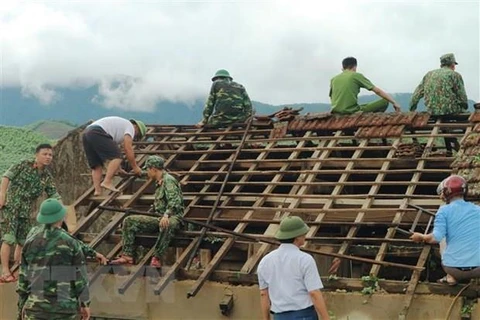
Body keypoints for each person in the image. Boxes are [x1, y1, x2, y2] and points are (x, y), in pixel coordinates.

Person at [17, 198, 91, 320]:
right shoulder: (71, 242)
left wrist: (22, 304)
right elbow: (80, 277)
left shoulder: (30, 242)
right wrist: (85, 304)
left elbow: (23, 278)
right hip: (64, 309)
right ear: (61, 217)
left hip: (36, 308)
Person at [0, 143, 60, 283]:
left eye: (50, 155)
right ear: (37, 155)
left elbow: (54, 194)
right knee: (9, 238)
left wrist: (63, 210)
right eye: (45, 154)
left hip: (25, 210)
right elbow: (7, 176)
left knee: (24, 240)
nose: (48, 157)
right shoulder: (23, 165)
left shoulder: (46, 176)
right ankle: (5, 271)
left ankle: (20, 266)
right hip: (12, 207)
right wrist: (2, 194)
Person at [111, 155, 184, 267]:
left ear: (154, 169)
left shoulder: (168, 180)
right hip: (158, 217)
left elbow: (175, 201)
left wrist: (166, 215)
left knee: (166, 224)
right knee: (129, 221)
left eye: (148, 169)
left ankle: (157, 257)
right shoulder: (159, 181)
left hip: (172, 217)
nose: (147, 172)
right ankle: (127, 255)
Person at [410, 175, 480, 285]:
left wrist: (421, 237)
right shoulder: (477, 210)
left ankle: (451, 277)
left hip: (453, 269)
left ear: (447, 192)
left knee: (443, 237)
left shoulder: (444, 211)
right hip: (478, 269)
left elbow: (435, 238)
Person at [257, 216, 330, 320]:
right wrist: (326, 318)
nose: (305, 235)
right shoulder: (305, 259)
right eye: (303, 233)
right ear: (297, 237)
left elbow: (263, 294)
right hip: (304, 314)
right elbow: (314, 293)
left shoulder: (265, 261)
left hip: (279, 316)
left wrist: (266, 319)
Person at [82, 116, 147, 196]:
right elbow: (127, 149)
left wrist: (119, 169)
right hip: (97, 131)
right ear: (136, 127)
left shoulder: (119, 129)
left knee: (96, 165)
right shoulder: (130, 127)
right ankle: (107, 181)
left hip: (86, 133)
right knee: (118, 157)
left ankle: (97, 191)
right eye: (137, 135)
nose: (134, 137)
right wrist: (135, 167)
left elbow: (113, 150)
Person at [329, 57, 401, 115]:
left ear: (343, 67)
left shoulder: (334, 79)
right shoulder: (355, 75)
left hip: (336, 111)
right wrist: (394, 102)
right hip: (351, 111)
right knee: (384, 101)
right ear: (354, 67)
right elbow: (377, 91)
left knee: (362, 106)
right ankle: (372, 119)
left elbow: (331, 97)